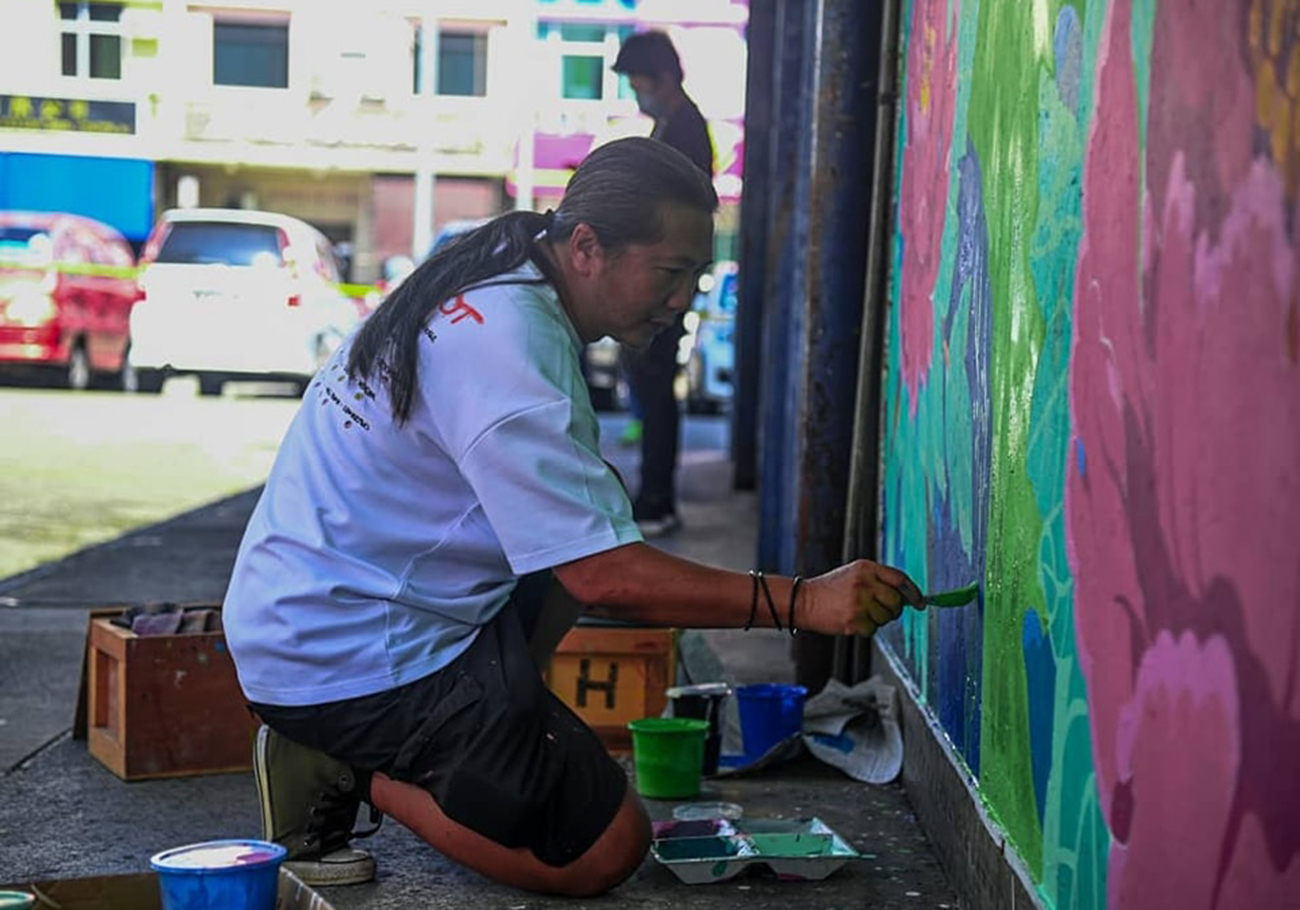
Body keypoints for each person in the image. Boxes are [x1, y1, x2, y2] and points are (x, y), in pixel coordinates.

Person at [221, 137, 923, 897]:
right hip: (346, 655)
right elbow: (606, 575)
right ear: (586, 246)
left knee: (589, 513)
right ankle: (347, 768)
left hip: (310, 608)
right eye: (670, 271)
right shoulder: (512, 343)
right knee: (603, 851)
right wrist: (806, 602)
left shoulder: (505, 265)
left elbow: (586, 556)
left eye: (695, 273)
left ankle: (474, 730)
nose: (683, 298)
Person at [611, 30, 714, 536]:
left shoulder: (684, 131)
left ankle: (656, 498)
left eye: (638, 85)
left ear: (664, 79)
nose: (637, 95)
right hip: (666, 278)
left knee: (654, 386)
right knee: (651, 387)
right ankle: (653, 495)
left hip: (666, 282)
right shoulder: (675, 126)